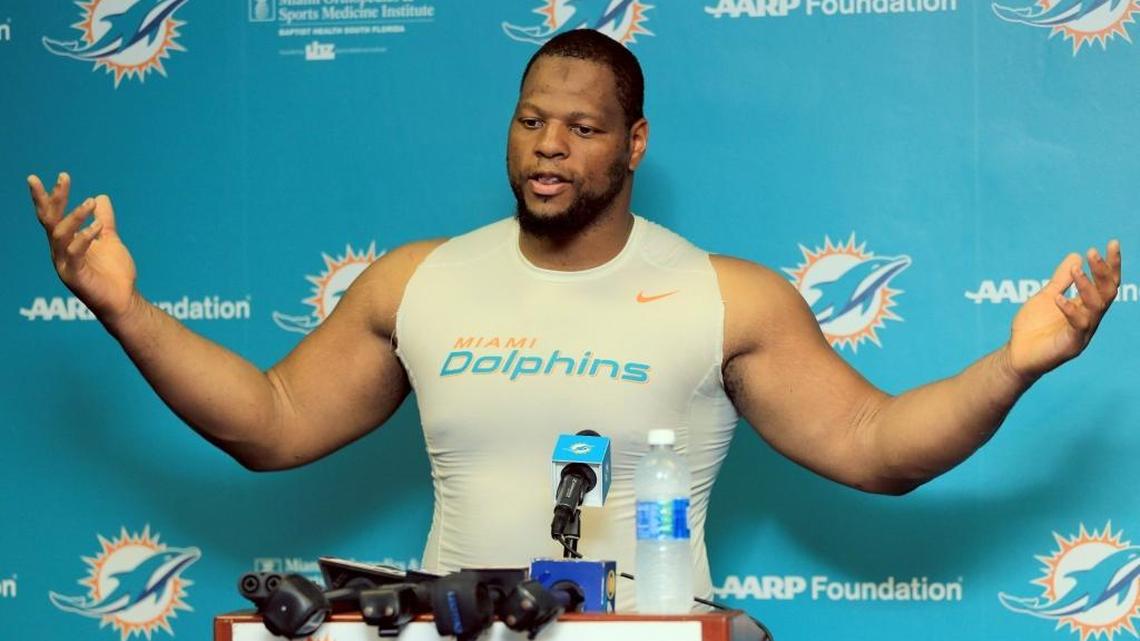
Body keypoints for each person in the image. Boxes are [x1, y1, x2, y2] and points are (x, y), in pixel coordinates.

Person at [27, 30, 1121, 612]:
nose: (550, 145)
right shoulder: (418, 281)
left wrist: (1013, 366)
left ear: (634, 144)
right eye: (531, 118)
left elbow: (878, 448)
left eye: (583, 126)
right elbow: (268, 422)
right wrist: (126, 309)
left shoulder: (728, 294)